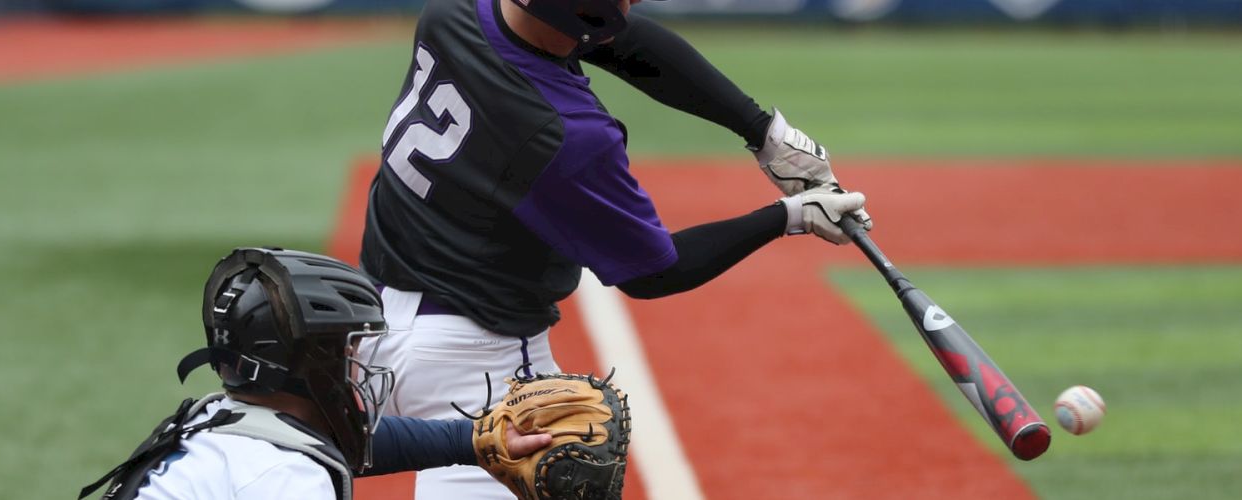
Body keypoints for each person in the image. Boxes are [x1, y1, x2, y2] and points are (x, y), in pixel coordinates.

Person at [359, 0, 872, 497]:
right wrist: (787, 216)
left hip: (367, 327)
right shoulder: (567, 136)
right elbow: (653, 272)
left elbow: (620, 40)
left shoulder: (453, 13)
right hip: (477, 366)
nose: (632, 4)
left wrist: (763, 131)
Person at [81, 248, 555, 500]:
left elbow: (357, 444)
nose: (358, 364)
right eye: (348, 348)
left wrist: (475, 440)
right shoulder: (284, 478)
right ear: (308, 364)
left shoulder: (212, 423)